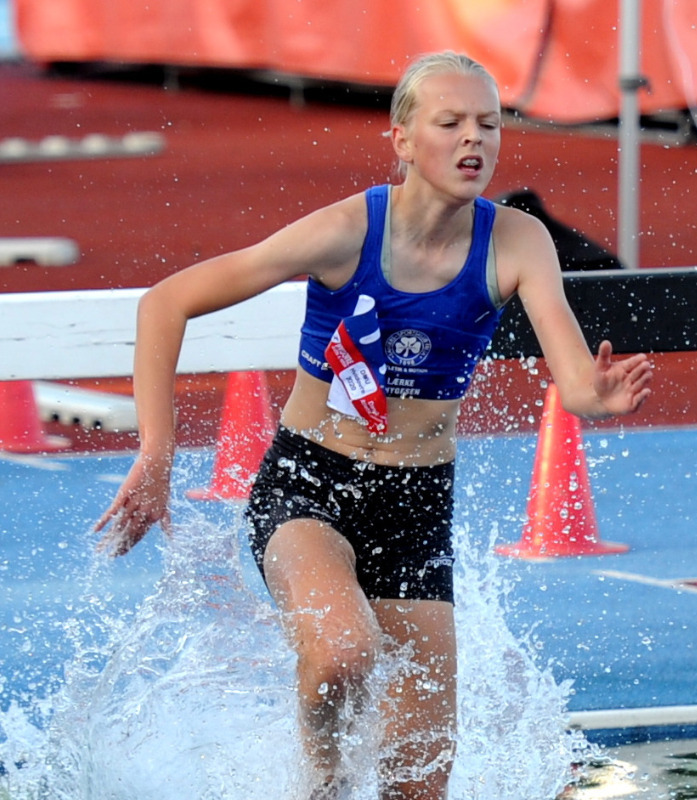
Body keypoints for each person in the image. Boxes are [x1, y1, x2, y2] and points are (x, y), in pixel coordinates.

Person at [95, 51, 653, 800]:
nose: (474, 139)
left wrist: (597, 397)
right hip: (309, 485)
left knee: (420, 780)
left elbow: (576, 380)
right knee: (343, 653)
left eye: (488, 124)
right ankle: (321, 784)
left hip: (417, 502)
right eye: (450, 123)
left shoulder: (518, 242)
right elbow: (165, 302)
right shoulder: (345, 233)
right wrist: (158, 453)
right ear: (402, 140)